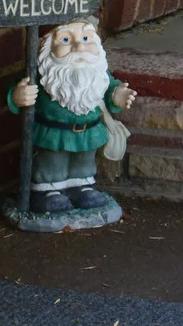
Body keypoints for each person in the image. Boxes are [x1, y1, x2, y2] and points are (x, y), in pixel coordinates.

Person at [9, 20, 136, 212]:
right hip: (53, 134)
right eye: (66, 40)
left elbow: (108, 88)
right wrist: (17, 96)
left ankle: (82, 188)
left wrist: (117, 96)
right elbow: (14, 90)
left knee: (84, 162)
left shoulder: (97, 72)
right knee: (52, 162)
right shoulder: (42, 73)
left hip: (89, 132)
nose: (79, 47)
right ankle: (47, 192)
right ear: (46, 47)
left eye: (86, 38)